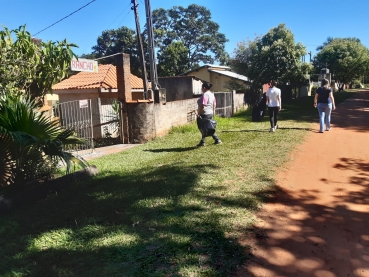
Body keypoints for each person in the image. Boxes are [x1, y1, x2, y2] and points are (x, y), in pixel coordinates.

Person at [196, 82, 222, 146]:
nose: (201, 89)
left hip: (204, 113)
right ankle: (203, 142)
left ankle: (217, 139)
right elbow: (214, 104)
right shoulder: (212, 94)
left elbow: (203, 105)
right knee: (206, 127)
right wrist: (212, 111)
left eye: (202, 88)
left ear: (204, 88)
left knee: (204, 127)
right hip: (210, 113)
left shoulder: (205, 94)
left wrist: (198, 113)